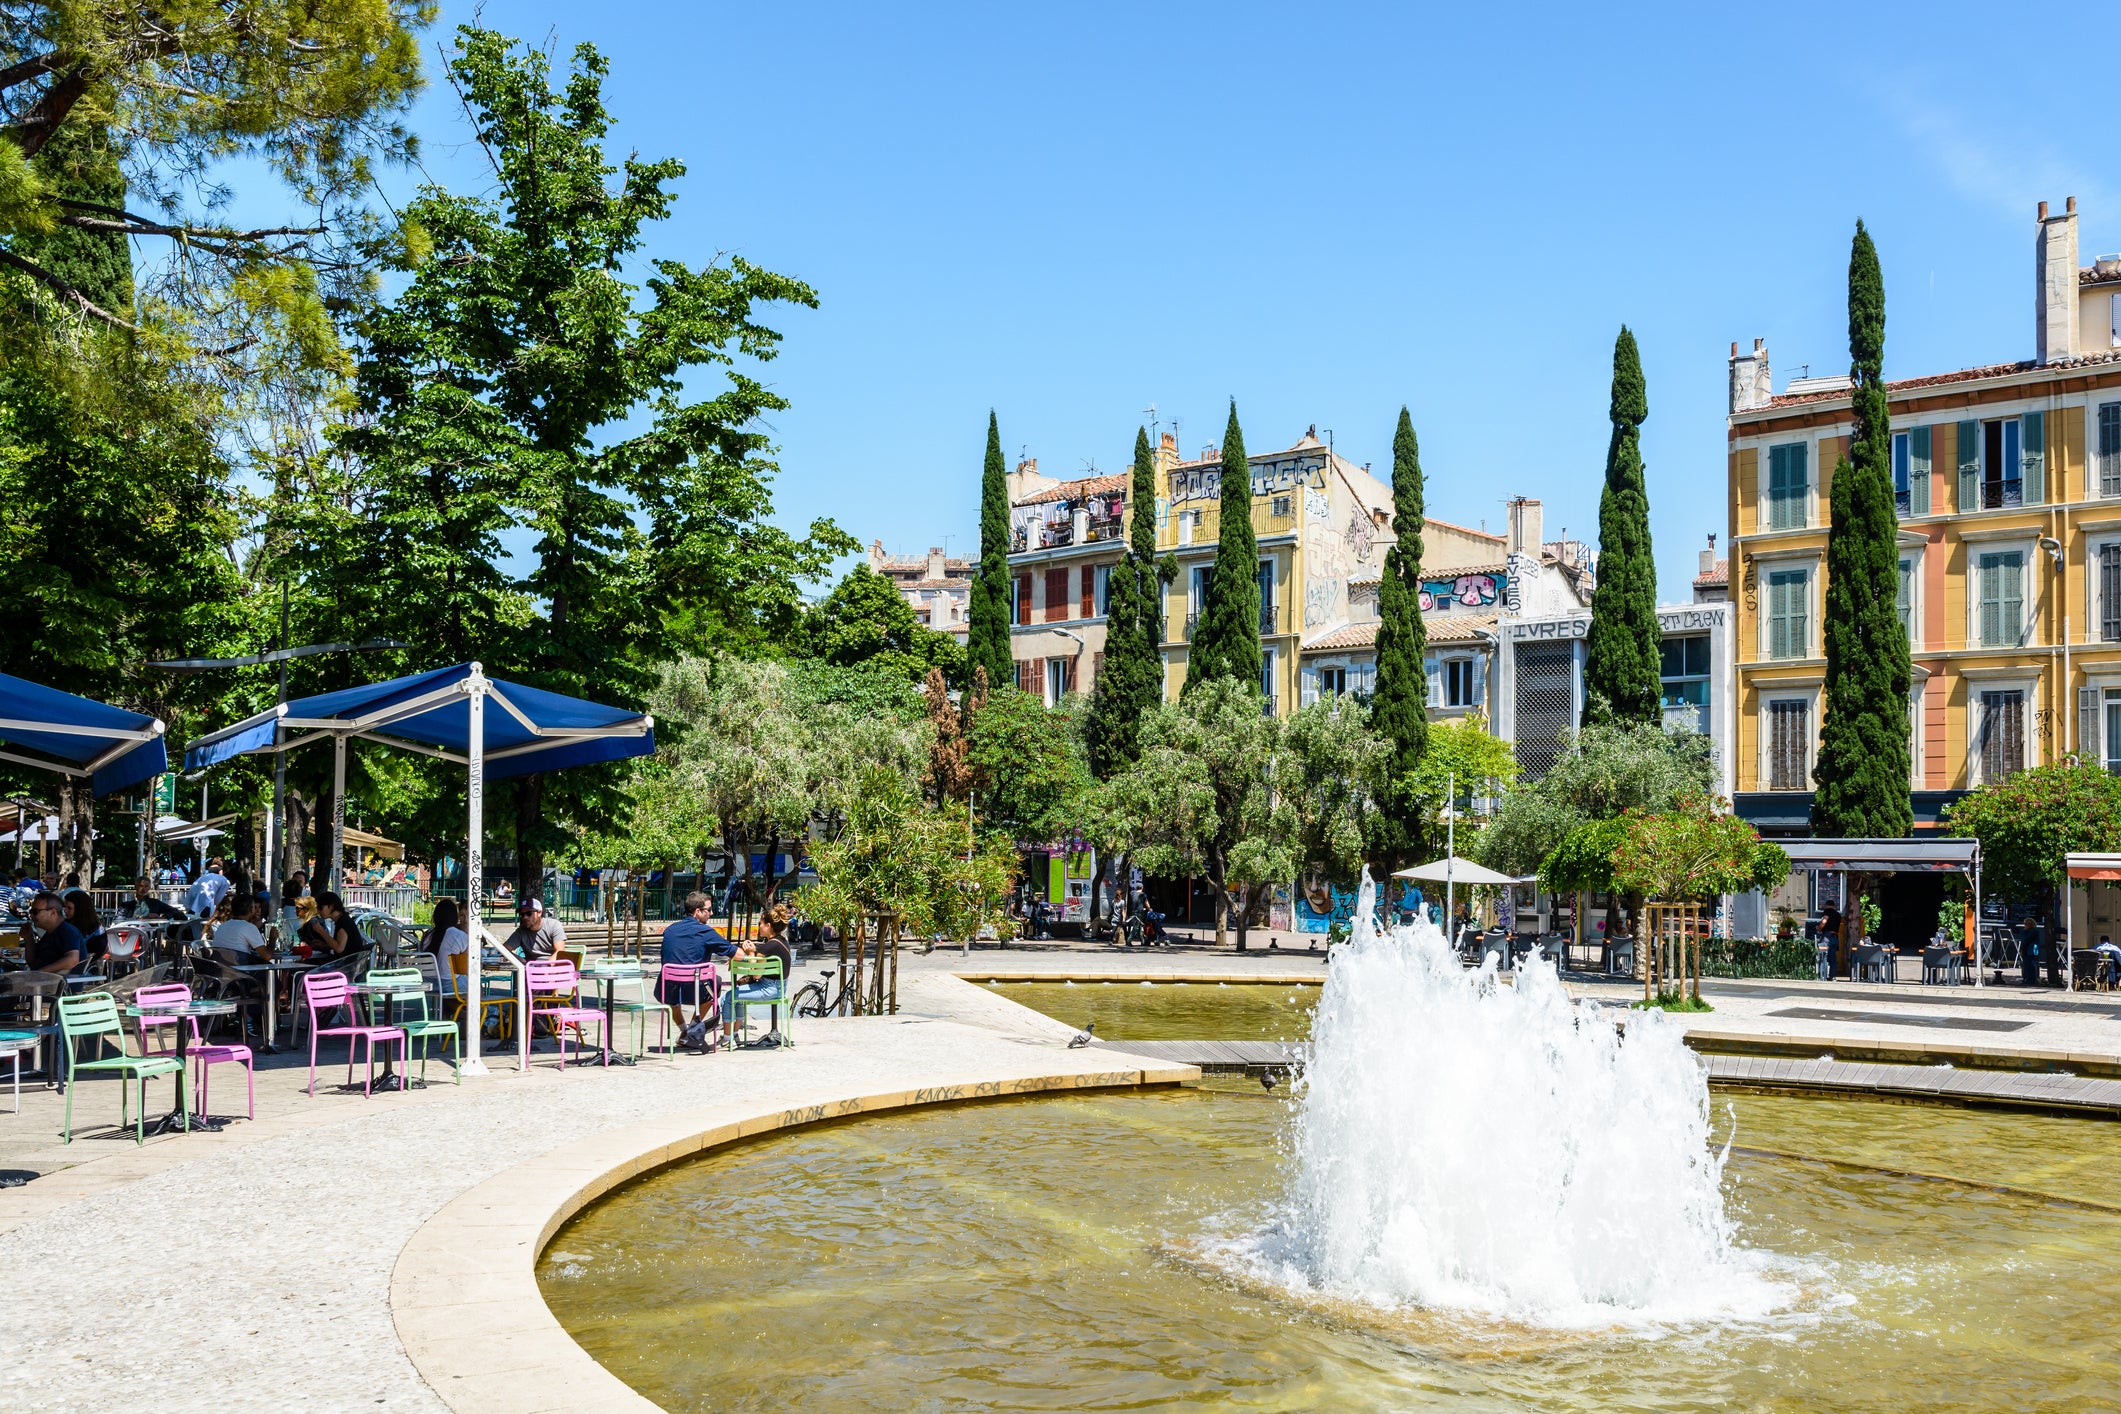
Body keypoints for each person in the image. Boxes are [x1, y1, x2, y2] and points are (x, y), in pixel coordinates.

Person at [658, 891, 734, 1044]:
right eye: (709, 910)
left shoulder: (670, 930)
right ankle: (692, 1029)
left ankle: (685, 1031)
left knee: (669, 985)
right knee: (715, 982)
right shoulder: (705, 932)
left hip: (668, 991)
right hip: (695, 991)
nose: (711, 913)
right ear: (698, 912)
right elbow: (735, 952)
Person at [728, 903, 794, 1046]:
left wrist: (751, 953)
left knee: (728, 997)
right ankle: (733, 1035)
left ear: (768, 925)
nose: (759, 926)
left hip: (768, 990)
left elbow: (756, 975)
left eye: (761, 923)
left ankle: (730, 1037)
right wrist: (752, 952)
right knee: (735, 997)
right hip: (780, 989)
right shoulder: (781, 942)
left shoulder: (768, 947)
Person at [23, 892, 83, 974]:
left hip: (59, 985)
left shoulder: (68, 931)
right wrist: (29, 939)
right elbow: (33, 963)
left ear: (53, 913)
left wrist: (39, 973)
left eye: (35, 912)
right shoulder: (50, 933)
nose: (31, 915)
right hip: (44, 983)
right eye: (31, 912)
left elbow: (72, 959)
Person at [424, 899, 470, 999]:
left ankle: (455, 1012)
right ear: (455, 916)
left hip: (428, 982)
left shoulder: (428, 934)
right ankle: (486, 1012)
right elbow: (468, 963)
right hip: (449, 984)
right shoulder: (457, 935)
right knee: (474, 983)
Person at [210, 893, 269, 960]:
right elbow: (267, 956)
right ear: (251, 909)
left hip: (220, 968)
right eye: (254, 907)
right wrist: (273, 939)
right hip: (239, 968)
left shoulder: (223, 926)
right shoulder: (249, 927)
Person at [62, 890, 107, 963]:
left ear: (80, 910)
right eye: (64, 907)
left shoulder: (96, 932)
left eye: (69, 908)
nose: (65, 911)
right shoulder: (66, 923)